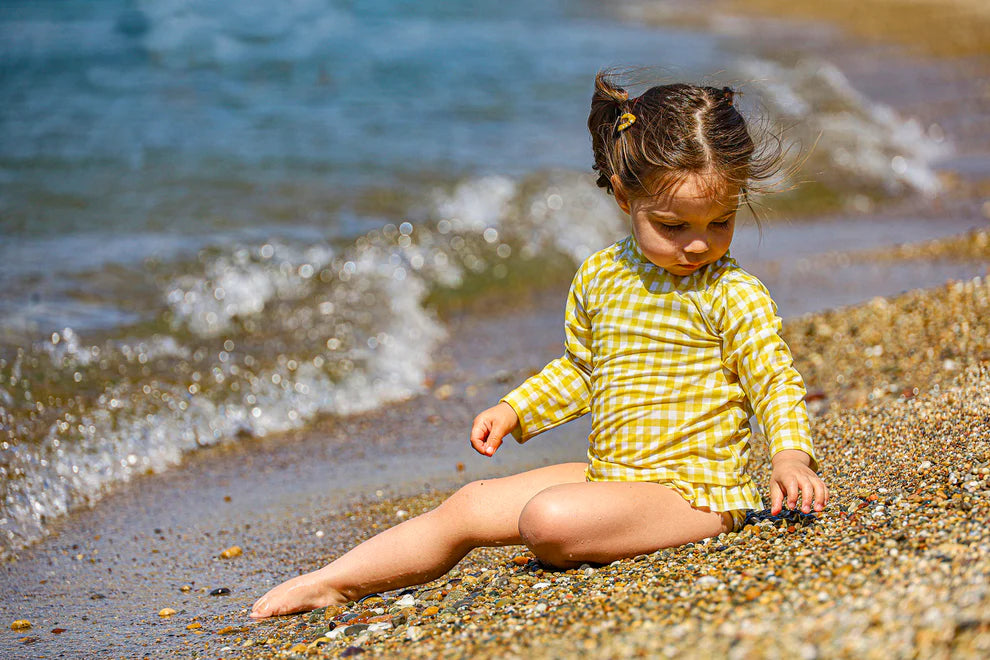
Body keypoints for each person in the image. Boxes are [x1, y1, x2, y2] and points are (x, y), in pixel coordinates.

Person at [250, 69, 829, 619]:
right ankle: (336, 581)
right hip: (614, 474)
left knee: (548, 521)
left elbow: (773, 380)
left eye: (720, 222)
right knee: (471, 504)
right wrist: (516, 410)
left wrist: (788, 455)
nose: (699, 245)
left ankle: (605, 523)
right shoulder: (603, 275)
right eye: (674, 227)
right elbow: (583, 370)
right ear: (625, 197)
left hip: (696, 494)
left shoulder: (734, 293)